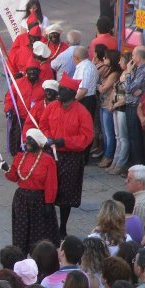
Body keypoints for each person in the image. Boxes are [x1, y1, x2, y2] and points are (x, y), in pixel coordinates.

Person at [40, 73, 94, 237]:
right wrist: (48, 137)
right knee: (46, 189)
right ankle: (47, 223)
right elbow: (43, 123)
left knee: (66, 194)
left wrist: (66, 142)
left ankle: (62, 226)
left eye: (63, 89)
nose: (59, 92)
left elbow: (86, 137)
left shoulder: (82, 112)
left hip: (71, 157)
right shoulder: (52, 106)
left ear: (71, 93)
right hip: (52, 153)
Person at [2, 128, 59, 255]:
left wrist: (49, 203)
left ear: (38, 144)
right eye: (27, 139)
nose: (26, 142)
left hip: (38, 200)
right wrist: (6, 169)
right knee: (20, 232)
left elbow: (51, 183)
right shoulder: (20, 157)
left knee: (38, 233)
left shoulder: (47, 160)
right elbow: (14, 177)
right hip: (22, 199)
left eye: (30, 140)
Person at [5, 61, 45, 156]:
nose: (32, 73)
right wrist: (8, 109)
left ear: (39, 72)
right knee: (16, 141)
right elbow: (10, 97)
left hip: (36, 121)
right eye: (30, 71)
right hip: (20, 118)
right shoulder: (18, 83)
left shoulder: (44, 85)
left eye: (35, 70)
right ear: (26, 71)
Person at [124, 46, 145, 167]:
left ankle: (138, 165)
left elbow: (128, 88)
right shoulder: (137, 68)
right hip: (131, 104)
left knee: (135, 138)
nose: (131, 58)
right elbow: (131, 89)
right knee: (132, 136)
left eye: (133, 55)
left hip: (135, 106)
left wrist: (127, 73)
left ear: (138, 57)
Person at [98, 50, 123, 168]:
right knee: (105, 131)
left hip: (108, 105)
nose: (103, 60)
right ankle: (106, 153)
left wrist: (98, 85)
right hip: (103, 104)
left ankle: (108, 155)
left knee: (109, 133)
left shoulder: (114, 74)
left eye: (106, 58)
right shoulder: (107, 70)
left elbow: (103, 89)